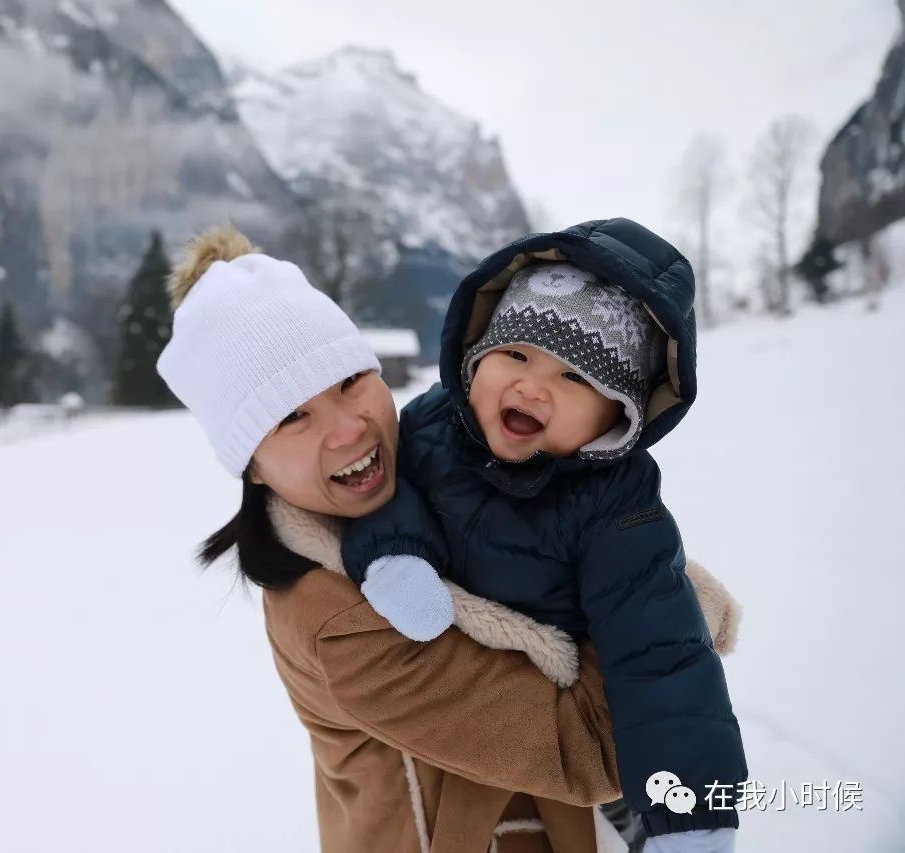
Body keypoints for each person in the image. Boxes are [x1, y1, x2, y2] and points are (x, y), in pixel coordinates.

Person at [157, 226, 740, 852]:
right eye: (293, 417)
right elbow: (590, 749)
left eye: (351, 382)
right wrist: (670, 610)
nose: (348, 430)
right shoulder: (339, 623)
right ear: (251, 463)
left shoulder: (442, 457)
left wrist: (637, 569)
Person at [339, 219, 748, 852]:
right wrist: (395, 556)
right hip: (462, 707)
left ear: (619, 417)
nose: (532, 386)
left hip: (569, 695)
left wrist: (692, 809)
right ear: (476, 357)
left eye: (576, 378)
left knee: (611, 811)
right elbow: (384, 493)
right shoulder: (429, 425)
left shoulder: (616, 503)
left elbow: (659, 654)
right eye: (517, 355)